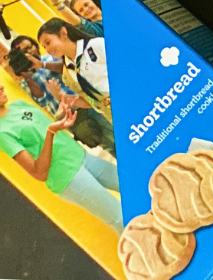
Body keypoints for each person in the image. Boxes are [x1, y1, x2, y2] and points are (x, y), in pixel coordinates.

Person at [0, 82, 122, 233]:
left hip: (81, 156)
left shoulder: (18, 105)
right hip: (68, 178)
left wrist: (59, 116)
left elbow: (41, 134)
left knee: (133, 185)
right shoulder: (2, 133)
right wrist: (51, 132)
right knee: (120, 218)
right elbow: (39, 173)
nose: (1, 86)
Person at [5, 40, 114, 155]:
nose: (28, 53)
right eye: (23, 52)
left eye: (29, 47)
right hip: (69, 117)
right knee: (106, 144)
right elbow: (41, 100)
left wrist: (42, 65)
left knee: (114, 133)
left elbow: (66, 69)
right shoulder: (26, 82)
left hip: (84, 103)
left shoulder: (51, 58)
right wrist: (27, 77)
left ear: (35, 45)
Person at [37, 20, 110, 119]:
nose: (47, 50)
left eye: (48, 42)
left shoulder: (96, 45)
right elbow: (90, 102)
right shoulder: (67, 74)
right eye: (44, 47)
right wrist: (61, 96)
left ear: (63, 32)